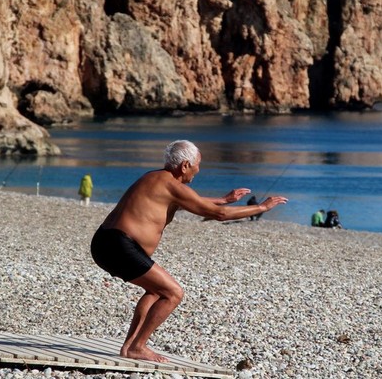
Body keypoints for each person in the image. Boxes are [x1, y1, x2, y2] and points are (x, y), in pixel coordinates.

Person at [90, 140, 287, 362]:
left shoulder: (153, 178)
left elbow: (189, 200)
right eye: (197, 165)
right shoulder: (172, 186)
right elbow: (218, 215)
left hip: (104, 242)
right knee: (173, 293)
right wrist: (261, 207)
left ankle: (129, 347)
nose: (199, 170)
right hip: (121, 246)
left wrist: (223, 199)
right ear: (185, 165)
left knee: (155, 291)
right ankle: (138, 346)